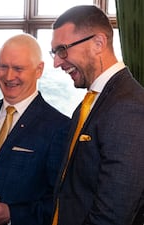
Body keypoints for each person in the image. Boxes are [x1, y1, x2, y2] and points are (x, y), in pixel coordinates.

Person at [0, 33, 71, 225]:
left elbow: (61, 200)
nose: (9, 76)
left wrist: (13, 214)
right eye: (3, 67)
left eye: (18, 68)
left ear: (39, 70)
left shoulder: (58, 127)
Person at [50, 5, 144, 225]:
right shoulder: (89, 103)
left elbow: (113, 214)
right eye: (54, 53)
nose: (56, 63)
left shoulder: (129, 106)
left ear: (98, 43)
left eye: (63, 50)